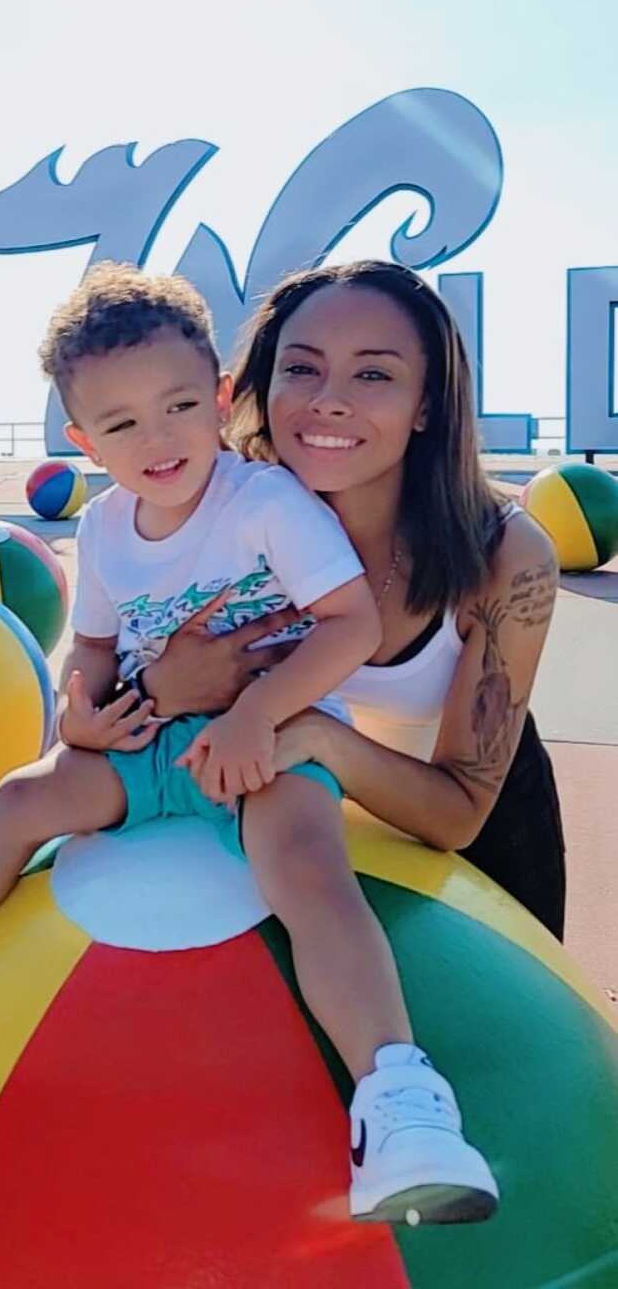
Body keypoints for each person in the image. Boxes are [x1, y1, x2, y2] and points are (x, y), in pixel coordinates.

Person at [0, 263, 499, 1228]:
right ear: (80, 440)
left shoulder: (266, 503)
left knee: (307, 865)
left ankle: (398, 1100)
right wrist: (82, 715)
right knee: (21, 803)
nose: (157, 439)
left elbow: (347, 624)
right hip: (149, 742)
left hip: (266, 733)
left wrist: (257, 716)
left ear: (222, 399)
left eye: (180, 405)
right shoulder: (104, 527)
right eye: (121, 424)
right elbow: (96, 649)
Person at [148, 259, 565, 943]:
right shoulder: (214, 510)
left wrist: (314, 734)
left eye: (372, 374)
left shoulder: (504, 555)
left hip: (473, 852)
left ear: (426, 402)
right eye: (302, 368)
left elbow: (458, 814)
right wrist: (162, 685)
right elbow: (93, 695)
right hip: (289, 835)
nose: (328, 400)